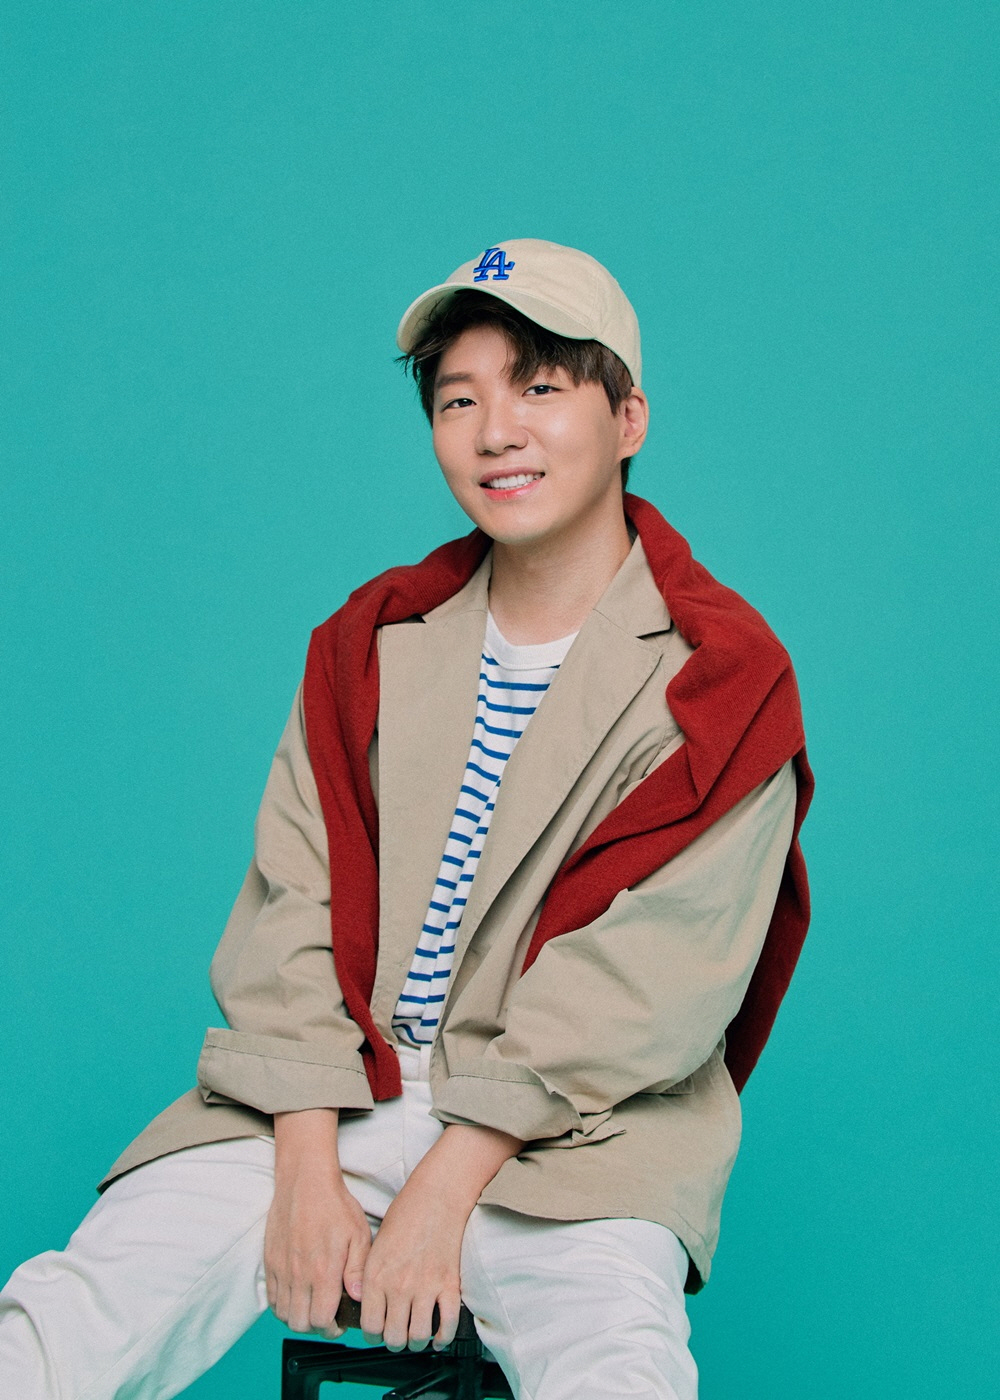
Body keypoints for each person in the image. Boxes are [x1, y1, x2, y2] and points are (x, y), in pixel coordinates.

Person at [0, 239, 813, 1400]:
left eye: (539, 387)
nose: (495, 431)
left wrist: (444, 1185)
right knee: (61, 1326)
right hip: (332, 1089)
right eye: (458, 399)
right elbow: (293, 904)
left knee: (618, 1371)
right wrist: (304, 1162)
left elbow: (646, 985)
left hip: (576, 1132)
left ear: (628, 416)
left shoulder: (721, 674)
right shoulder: (372, 639)